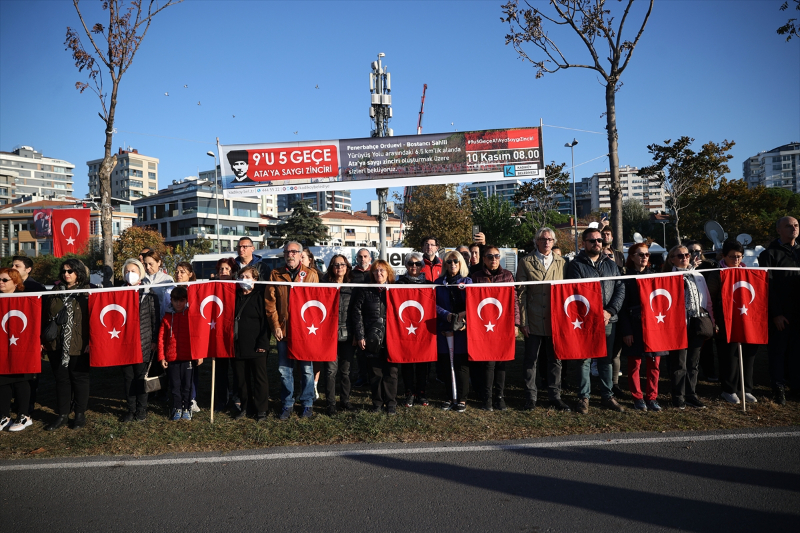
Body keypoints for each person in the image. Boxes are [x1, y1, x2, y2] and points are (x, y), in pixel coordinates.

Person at [566, 228, 626, 414]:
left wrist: (610, 311)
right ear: (584, 243)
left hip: (608, 320)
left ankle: (607, 395)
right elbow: (576, 292)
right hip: (586, 321)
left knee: (605, 359)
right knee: (585, 359)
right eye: (592, 240)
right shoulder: (576, 265)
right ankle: (584, 397)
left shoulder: (611, 265)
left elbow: (620, 288)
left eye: (599, 240)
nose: (597, 243)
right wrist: (594, 314)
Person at [517, 228, 570, 411]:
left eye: (549, 239)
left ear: (553, 242)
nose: (546, 242)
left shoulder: (562, 263)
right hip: (533, 318)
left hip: (555, 320)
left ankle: (555, 396)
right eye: (543, 239)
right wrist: (523, 322)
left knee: (555, 360)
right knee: (531, 359)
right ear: (536, 241)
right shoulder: (525, 262)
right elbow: (521, 294)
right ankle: (531, 397)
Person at [265, 241, 319, 420]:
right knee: (284, 370)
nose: (290, 255)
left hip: (305, 332)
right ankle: (287, 403)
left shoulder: (311, 275)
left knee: (306, 370)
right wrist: (276, 326)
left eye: (294, 252)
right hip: (284, 331)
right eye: (287, 252)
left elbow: (315, 304)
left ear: (300, 253)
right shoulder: (276, 274)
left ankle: (307, 404)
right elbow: (270, 303)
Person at [707, 240, 758, 405]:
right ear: (724, 256)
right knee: (729, 356)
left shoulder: (748, 272)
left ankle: (746, 389)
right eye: (732, 257)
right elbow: (710, 299)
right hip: (725, 321)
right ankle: (729, 389)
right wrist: (714, 321)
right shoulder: (717, 274)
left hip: (746, 320)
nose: (736, 260)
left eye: (739, 256)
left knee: (748, 356)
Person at [43, 259, 91, 431]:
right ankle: (62, 415)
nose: (66, 274)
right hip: (57, 343)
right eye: (64, 271)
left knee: (79, 379)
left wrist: (91, 341)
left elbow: (93, 319)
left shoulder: (87, 292)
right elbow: (46, 315)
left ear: (79, 272)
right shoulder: (55, 291)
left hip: (80, 343)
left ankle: (79, 414)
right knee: (61, 379)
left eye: (70, 271)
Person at [470, 245, 520, 411]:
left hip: (503, 324)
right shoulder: (476, 277)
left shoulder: (507, 276)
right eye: (490, 256)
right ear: (484, 259)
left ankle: (500, 396)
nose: (493, 259)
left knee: (501, 363)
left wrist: (516, 323)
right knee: (488, 363)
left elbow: (514, 301)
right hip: (484, 325)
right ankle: (487, 398)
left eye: (496, 256)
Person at [664, 244, 714, 410]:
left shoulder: (698, 275)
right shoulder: (667, 277)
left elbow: (707, 301)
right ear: (672, 259)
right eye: (680, 255)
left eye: (687, 254)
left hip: (698, 321)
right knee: (679, 362)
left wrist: (712, 321)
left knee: (693, 362)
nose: (684, 257)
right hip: (678, 324)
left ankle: (691, 394)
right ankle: (678, 396)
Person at [758, 216, 800, 405]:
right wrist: (776, 313)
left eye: (796, 225)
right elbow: (768, 286)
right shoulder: (769, 254)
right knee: (778, 352)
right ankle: (778, 388)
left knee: (796, 351)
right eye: (788, 226)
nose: (793, 228)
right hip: (780, 313)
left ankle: (796, 386)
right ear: (778, 230)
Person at [619, 243, 663, 412]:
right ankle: (637, 397)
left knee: (654, 363)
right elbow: (622, 308)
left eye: (647, 254)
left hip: (654, 324)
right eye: (640, 254)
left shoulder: (655, 276)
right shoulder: (625, 278)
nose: (644, 257)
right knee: (635, 363)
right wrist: (627, 331)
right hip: (634, 324)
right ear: (632, 256)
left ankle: (652, 397)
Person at [352, 260, 398, 414]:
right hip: (372, 338)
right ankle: (377, 403)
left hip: (392, 338)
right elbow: (357, 314)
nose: (379, 273)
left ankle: (391, 403)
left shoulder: (396, 290)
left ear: (388, 272)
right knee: (375, 372)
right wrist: (360, 336)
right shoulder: (365, 290)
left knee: (391, 372)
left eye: (382, 270)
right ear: (371, 273)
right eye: (376, 271)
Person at [119, 258, 160, 422]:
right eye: (127, 271)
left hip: (144, 342)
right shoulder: (118, 292)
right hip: (124, 343)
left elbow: (154, 318)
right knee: (128, 377)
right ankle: (131, 409)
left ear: (140, 273)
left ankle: (142, 410)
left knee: (141, 377)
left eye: (133, 271)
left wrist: (154, 340)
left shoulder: (149, 293)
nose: (130, 274)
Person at [434, 250, 473, 412]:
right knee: (446, 364)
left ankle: (462, 399)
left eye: (455, 261)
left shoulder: (468, 282)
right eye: (449, 262)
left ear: (461, 263)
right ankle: (450, 397)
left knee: (461, 364)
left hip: (463, 328)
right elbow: (433, 304)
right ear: (444, 264)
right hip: (444, 328)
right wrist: (447, 315)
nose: (452, 265)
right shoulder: (438, 282)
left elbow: (473, 303)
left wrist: (462, 318)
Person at [231, 266, 270, 421]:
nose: (244, 279)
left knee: (260, 378)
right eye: (241, 276)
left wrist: (263, 343)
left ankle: (261, 410)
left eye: (247, 276)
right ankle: (246, 406)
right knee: (241, 379)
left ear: (255, 279)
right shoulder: (234, 296)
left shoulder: (260, 296)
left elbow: (265, 322)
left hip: (256, 345)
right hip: (237, 345)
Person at [157, 285, 201, 421]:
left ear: (186, 301)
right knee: (175, 385)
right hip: (172, 358)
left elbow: (198, 336)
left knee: (187, 385)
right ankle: (177, 407)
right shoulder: (166, 317)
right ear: (171, 300)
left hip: (188, 357)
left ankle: (187, 408)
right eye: (175, 300)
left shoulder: (191, 315)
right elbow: (161, 339)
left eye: (181, 300)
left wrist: (199, 354)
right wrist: (162, 357)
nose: (178, 303)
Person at [321, 254, 357, 415]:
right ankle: (330, 403)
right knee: (330, 371)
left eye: (342, 264)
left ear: (347, 267)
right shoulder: (324, 284)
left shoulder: (354, 286)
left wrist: (357, 333)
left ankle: (345, 400)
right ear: (331, 267)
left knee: (346, 370)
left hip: (348, 333)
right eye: (336, 265)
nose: (339, 267)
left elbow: (357, 312)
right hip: (329, 334)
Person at [0, 269, 35, 431]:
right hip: (3, 345)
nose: (1, 282)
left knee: (21, 380)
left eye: (5, 280)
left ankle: (24, 415)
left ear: (15, 282)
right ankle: (4, 415)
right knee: (2, 380)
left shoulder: (27, 299)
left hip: (23, 345)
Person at [396, 252, 432, 407]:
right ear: (406, 266)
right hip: (405, 328)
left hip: (423, 328)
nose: (414, 267)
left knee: (423, 362)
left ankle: (422, 392)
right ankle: (409, 392)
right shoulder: (398, 284)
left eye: (417, 264)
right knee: (407, 362)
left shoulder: (429, 284)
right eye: (411, 264)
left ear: (422, 267)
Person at [685, 240, 720, 383]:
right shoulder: (684, 267)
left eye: (697, 251)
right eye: (691, 251)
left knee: (707, 342)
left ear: (702, 252)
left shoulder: (709, 265)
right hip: (690, 309)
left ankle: (709, 371)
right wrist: (690, 267)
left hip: (706, 307)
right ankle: (690, 372)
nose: (694, 254)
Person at [214, 257, 239, 411]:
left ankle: (237, 398)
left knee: (237, 370)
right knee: (220, 371)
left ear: (232, 271)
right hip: (218, 333)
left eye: (227, 269)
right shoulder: (213, 287)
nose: (223, 272)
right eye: (221, 269)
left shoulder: (238, 287)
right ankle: (221, 400)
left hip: (235, 333)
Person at [350, 248, 373, 387]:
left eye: (365, 256)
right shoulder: (351, 274)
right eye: (360, 257)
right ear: (356, 259)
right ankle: (361, 375)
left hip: (372, 314)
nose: (363, 259)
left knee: (372, 346)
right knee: (360, 349)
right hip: (356, 313)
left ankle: (372, 376)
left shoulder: (375, 272)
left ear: (370, 258)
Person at [142, 250, 174, 319]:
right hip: (145, 319)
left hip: (161, 317)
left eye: (151, 264)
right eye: (145, 264)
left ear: (159, 262)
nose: (147, 267)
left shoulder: (167, 280)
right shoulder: (141, 279)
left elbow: (172, 302)